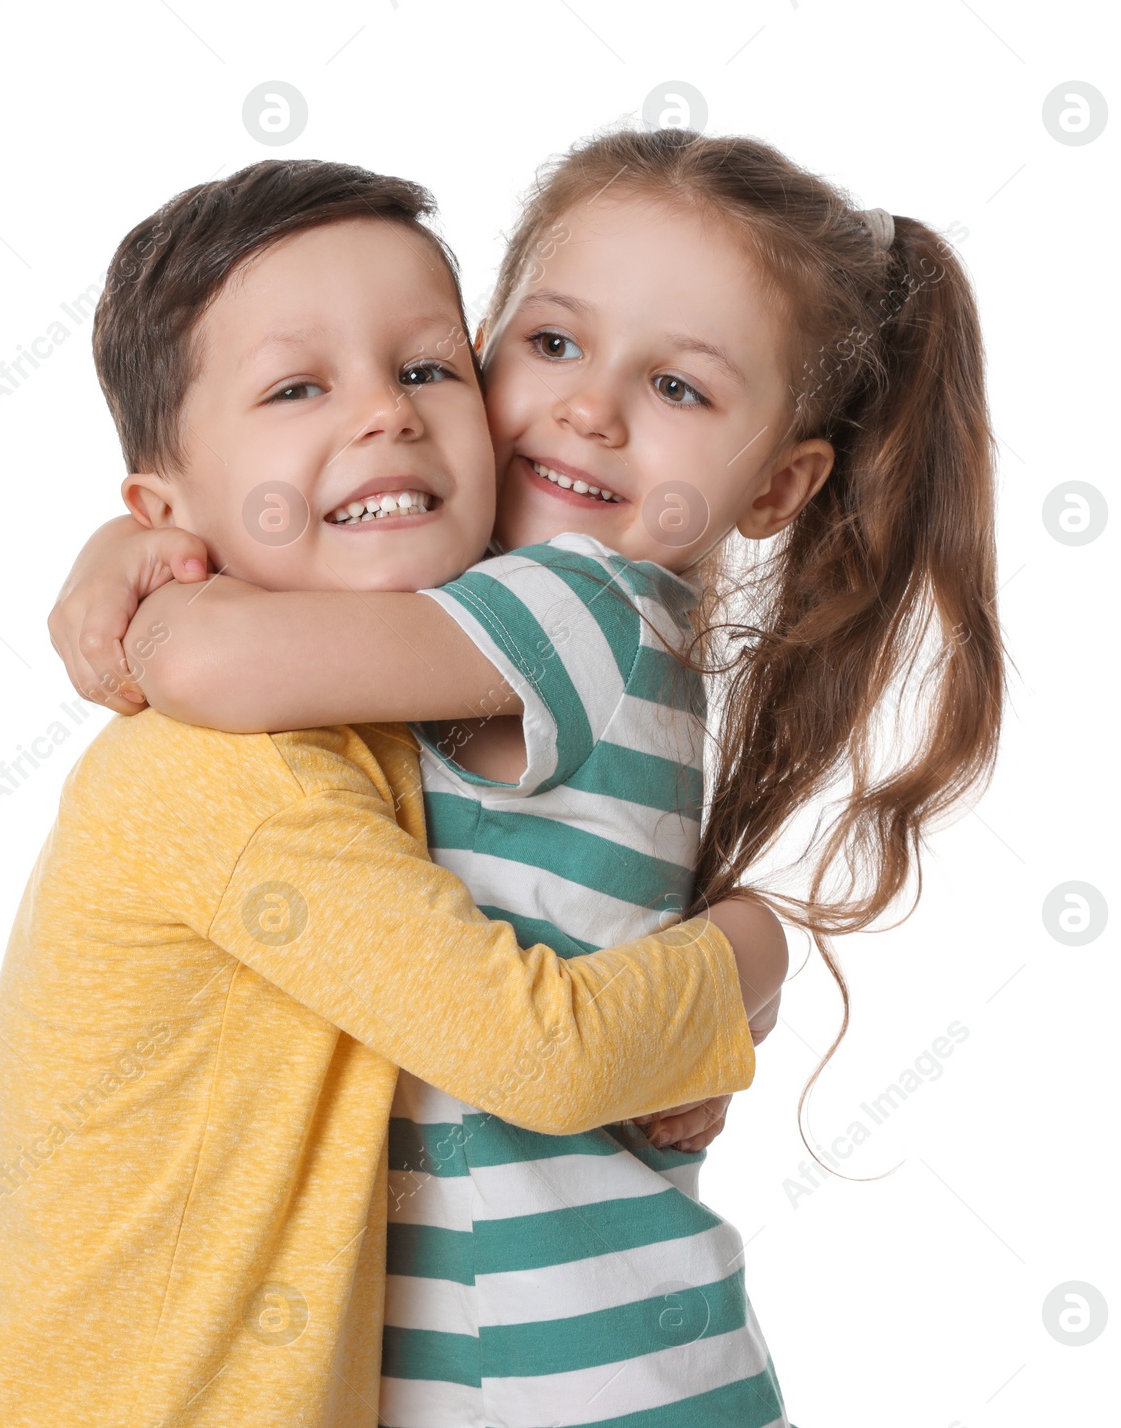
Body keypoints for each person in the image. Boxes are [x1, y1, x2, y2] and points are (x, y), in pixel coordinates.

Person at [51, 127, 1003, 1426]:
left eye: (681, 389)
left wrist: (140, 572)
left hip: (577, 1373)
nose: (591, 409)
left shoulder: (584, 606)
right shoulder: (474, 616)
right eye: (552, 345)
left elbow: (217, 662)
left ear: (778, 485)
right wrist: (154, 526)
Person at [0, 157, 786, 1428]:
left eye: (429, 369)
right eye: (296, 385)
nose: (384, 414)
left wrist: (132, 564)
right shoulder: (236, 771)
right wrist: (755, 949)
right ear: (172, 511)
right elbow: (539, 1052)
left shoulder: (394, 685)